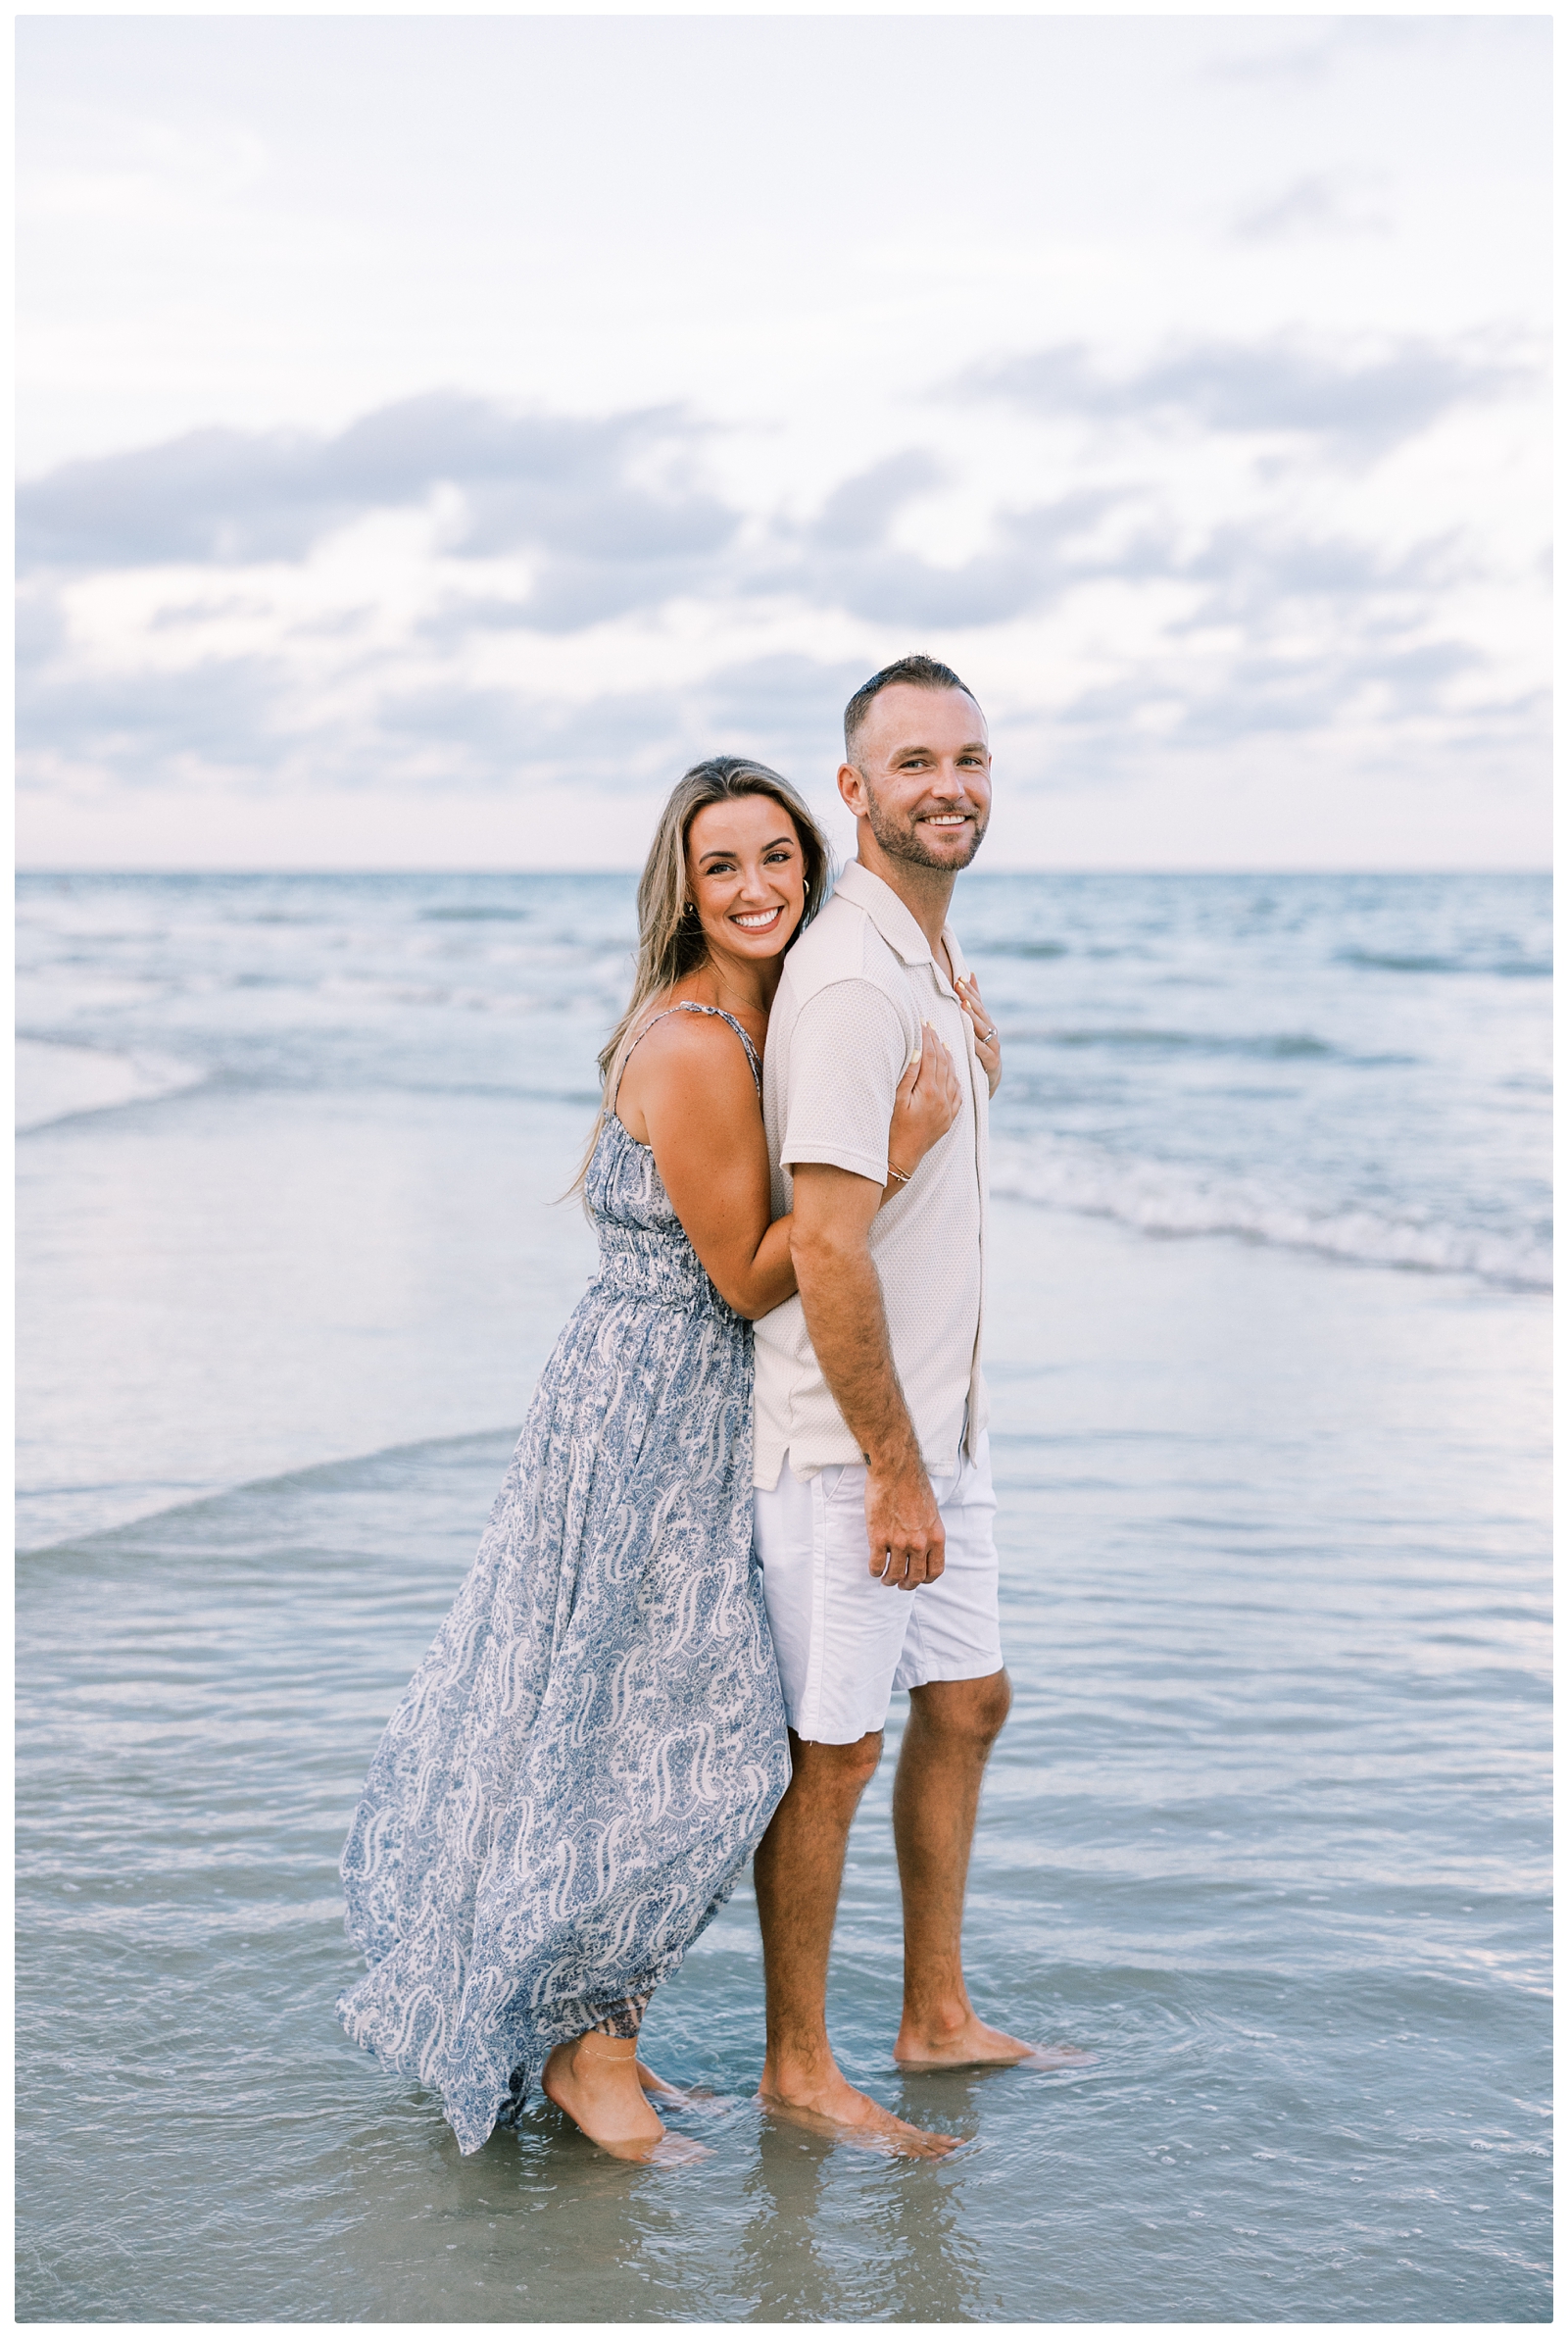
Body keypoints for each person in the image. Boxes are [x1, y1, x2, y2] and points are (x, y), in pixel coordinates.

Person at [337, 755, 963, 2165]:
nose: (755, 887)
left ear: (813, 861)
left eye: (777, 858)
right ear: (683, 890)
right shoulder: (691, 1041)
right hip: (642, 1411)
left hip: (691, 1406)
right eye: (722, 866)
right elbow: (747, 1279)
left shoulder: (778, 1016)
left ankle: (587, 2026)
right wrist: (899, 1150)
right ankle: (589, 2049)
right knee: (688, 1746)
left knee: (655, 1733)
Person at [751, 655, 1075, 2162]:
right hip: (848, 1447)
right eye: (916, 761)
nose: (951, 783)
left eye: (973, 757)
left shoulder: (929, 959)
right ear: (855, 791)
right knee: (841, 1747)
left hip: (946, 1426)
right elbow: (820, 1245)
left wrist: (933, 1451)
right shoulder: (848, 979)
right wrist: (891, 1469)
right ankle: (798, 2065)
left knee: (969, 1702)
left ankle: (932, 2013)